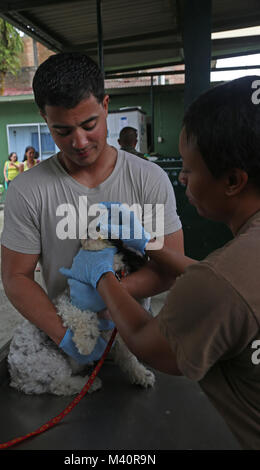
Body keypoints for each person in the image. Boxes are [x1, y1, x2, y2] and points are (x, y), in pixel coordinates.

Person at [61, 75, 260, 450]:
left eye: (188, 168)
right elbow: (228, 288)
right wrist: (147, 244)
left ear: (233, 180)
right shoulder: (233, 270)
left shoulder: (221, 281)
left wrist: (100, 274)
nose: (181, 178)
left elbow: (149, 345)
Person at [0, 52, 183, 363]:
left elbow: (169, 269)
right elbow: (16, 277)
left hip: (134, 338)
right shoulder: (27, 190)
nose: (80, 142)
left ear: (106, 106)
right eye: (63, 131)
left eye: (89, 124)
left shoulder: (147, 179)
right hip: (68, 331)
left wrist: (107, 291)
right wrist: (66, 335)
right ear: (45, 119)